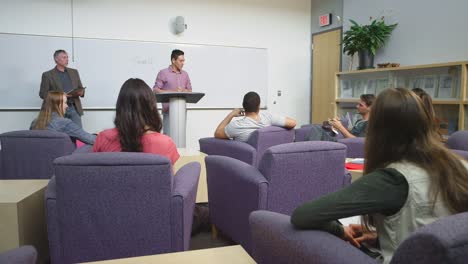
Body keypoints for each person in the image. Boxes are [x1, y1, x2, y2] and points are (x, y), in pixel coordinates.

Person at [291, 88, 468, 263]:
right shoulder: (460, 166)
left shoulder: (391, 180)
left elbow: (303, 215)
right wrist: (380, 235)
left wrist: (340, 231)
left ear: (377, 131)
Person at [93, 78, 179, 165]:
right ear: (151, 107)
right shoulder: (165, 143)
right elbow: (168, 178)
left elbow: (95, 175)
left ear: (120, 107)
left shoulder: (103, 138)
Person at [214, 91, 297, 142]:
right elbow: (293, 123)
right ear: (259, 106)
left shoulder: (237, 126)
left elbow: (217, 133)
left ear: (243, 106)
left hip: (244, 163)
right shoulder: (269, 118)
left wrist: (231, 114)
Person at [39, 49, 86, 128]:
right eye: (64, 57)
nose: (67, 59)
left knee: (78, 133)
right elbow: (43, 94)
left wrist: (81, 92)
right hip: (57, 109)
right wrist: (60, 95)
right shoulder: (47, 75)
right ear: (56, 59)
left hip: (74, 107)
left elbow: (80, 87)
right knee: (60, 134)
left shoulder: (74, 72)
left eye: (67, 57)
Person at [31, 91, 96, 145]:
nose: (67, 106)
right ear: (57, 105)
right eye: (65, 103)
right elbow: (91, 140)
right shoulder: (64, 123)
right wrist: (99, 135)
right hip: (61, 158)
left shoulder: (34, 122)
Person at [153, 49, 192, 135]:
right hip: (168, 111)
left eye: (183, 61)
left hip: (182, 111)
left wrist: (183, 91)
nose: (183, 63)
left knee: (181, 136)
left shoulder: (185, 74)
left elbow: (189, 90)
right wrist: (174, 91)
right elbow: (156, 89)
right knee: (168, 137)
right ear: (173, 60)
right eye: (180, 60)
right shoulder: (163, 73)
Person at [308, 94, 375, 141]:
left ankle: (309, 154)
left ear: (370, 108)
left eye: (361, 105)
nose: (357, 106)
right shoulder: (359, 121)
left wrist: (340, 127)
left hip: (347, 145)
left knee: (316, 129)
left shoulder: (369, 124)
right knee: (318, 127)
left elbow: (358, 141)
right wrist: (336, 127)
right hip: (343, 141)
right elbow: (350, 134)